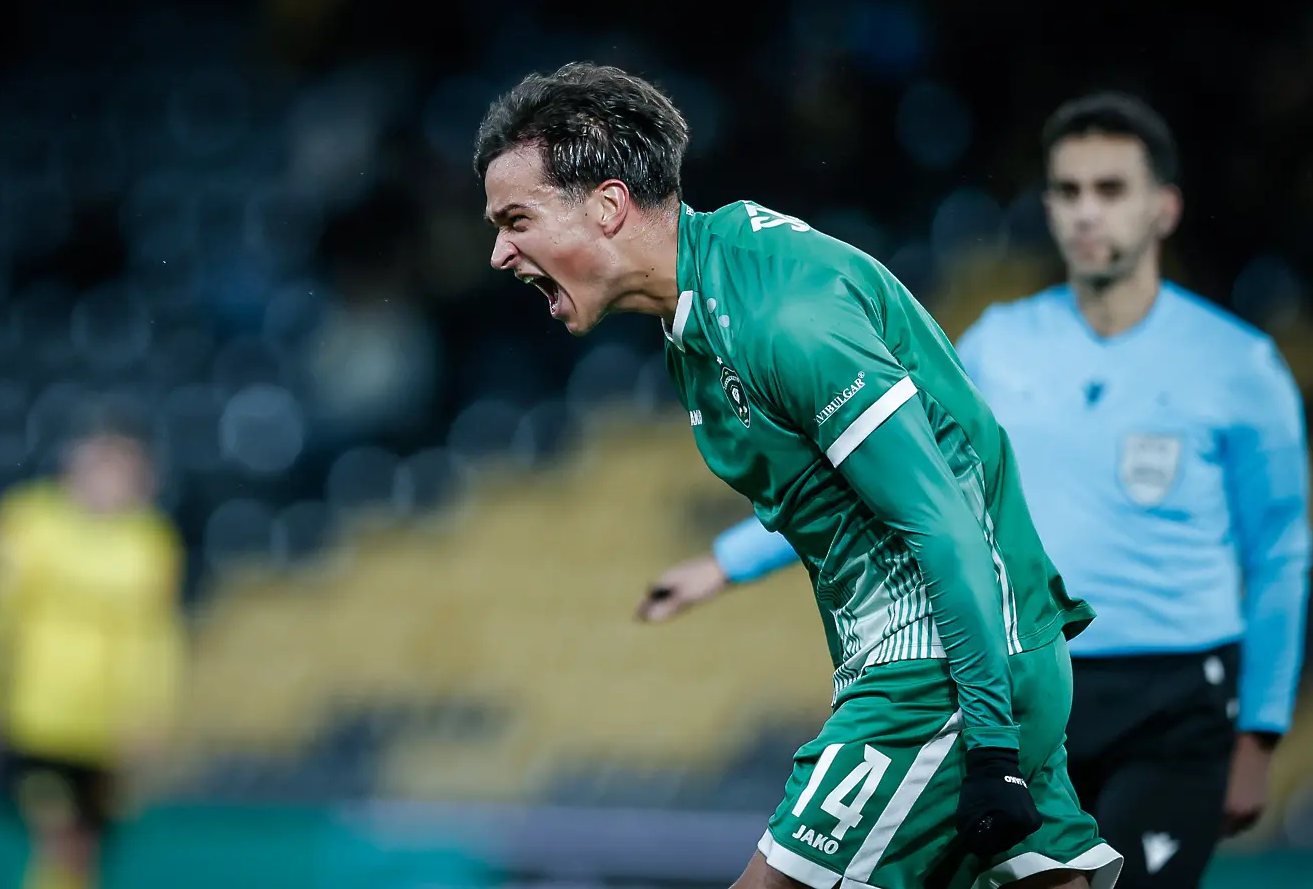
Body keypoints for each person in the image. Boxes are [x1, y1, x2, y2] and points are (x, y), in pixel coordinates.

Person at [475, 63, 1123, 889]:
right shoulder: (703, 316)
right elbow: (830, 495)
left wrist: (991, 740)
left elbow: (945, 521)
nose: (498, 253)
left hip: (940, 676)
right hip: (979, 661)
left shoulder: (787, 313)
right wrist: (727, 563)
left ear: (607, 206)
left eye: (516, 219)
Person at [644, 92, 1312, 887]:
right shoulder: (1000, 342)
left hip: (1173, 695)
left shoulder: (1239, 367)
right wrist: (727, 562)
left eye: (1110, 190)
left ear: (1164, 208)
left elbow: (1281, 553)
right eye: (1067, 191)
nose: (1085, 212)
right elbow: (889, 473)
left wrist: (1260, 735)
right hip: (1025, 668)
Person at [0, 402, 188, 889]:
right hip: (32, 721)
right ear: (74, 462)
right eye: (101, 463)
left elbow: (159, 641)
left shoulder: (151, 543)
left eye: (123, 468)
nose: (110, 479)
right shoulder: (25, 523)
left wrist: (155, 715)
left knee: (84, 850)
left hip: (104, 729)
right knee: (60, 836)